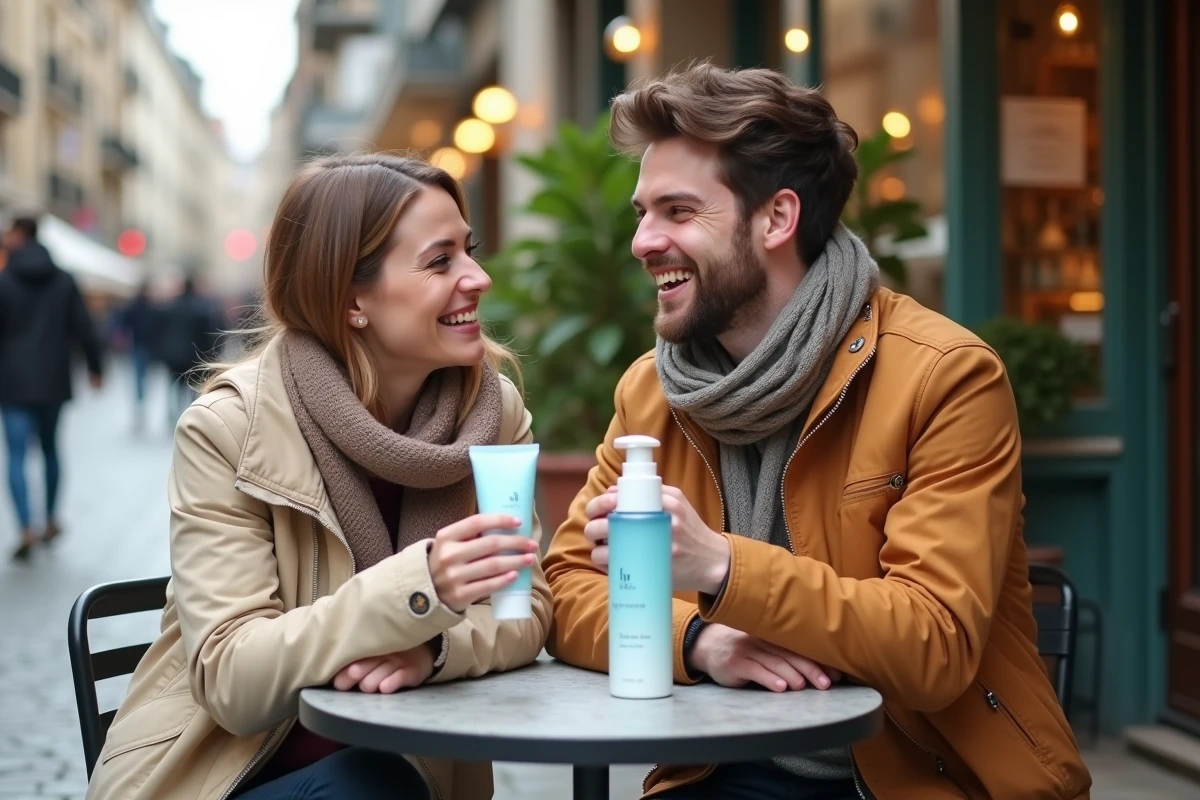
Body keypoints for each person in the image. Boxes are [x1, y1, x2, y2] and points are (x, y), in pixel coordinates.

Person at [543, 63, 1092, 799]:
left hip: (912, 780)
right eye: (643, 212)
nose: (643, 241)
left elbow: (933, 643)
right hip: (714, 773)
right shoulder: (654, 389)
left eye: (677, 211)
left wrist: (723, 570)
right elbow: (568, 587)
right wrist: (700, 640)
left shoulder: (947, 377)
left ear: (776, 219)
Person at [85, 154, 552, 800]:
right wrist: (419, 591)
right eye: (440, 261)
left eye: (469, 252)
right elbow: (232, 679)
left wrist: (433, 653)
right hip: (229, 778)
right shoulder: (229, 429)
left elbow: (525, 608)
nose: (479, 277)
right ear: (352, 299)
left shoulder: (492, 416)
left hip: (405, 775)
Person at [0, 215, 104, 560]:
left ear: (18, 235)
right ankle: (50, 520)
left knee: (16, 455)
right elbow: (83, 326)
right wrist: (95, 366)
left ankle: (26, 528)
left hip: (12, 380)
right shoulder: (63, 280)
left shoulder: (5, 280)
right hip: (53, 377)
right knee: (50, 450)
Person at [155, 274, 223, 425]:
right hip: (193, 356)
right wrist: (211, 355)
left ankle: (173, 412)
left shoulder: (171, 306)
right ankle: (188, 414)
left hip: (173, 355)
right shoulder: (201, 308)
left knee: (173, 385)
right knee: (192, 387)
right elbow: (208, 336)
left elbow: (161, 331)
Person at [113, 280, 159, 432]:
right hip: (149, 347)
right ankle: (141, 404)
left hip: (137, 346)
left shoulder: (133, 306)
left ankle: (140, 406)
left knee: (139, 378)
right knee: (144, 378)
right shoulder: (153, 307)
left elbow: (123, 325)